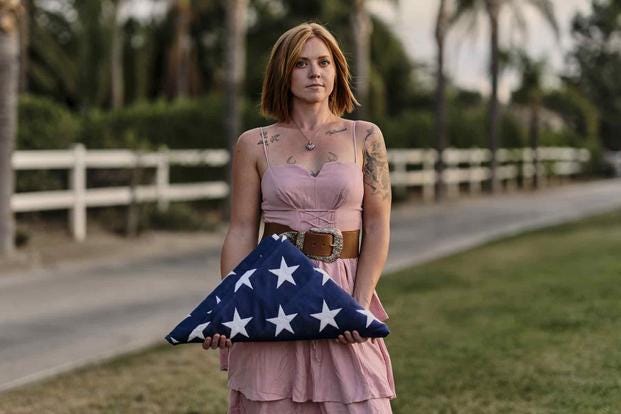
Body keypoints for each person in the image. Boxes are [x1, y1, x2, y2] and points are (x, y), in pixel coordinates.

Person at [203, 22, 396, 413]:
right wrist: (230, 303)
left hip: (344, 286)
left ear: (337, 70)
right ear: (283, 72)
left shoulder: (365, 137)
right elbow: (241, 230)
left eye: (324, 62)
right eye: (302, 63)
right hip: (274, 290)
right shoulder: (254, 144)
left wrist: (356, 305)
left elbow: (377, 225)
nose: (315, 72)